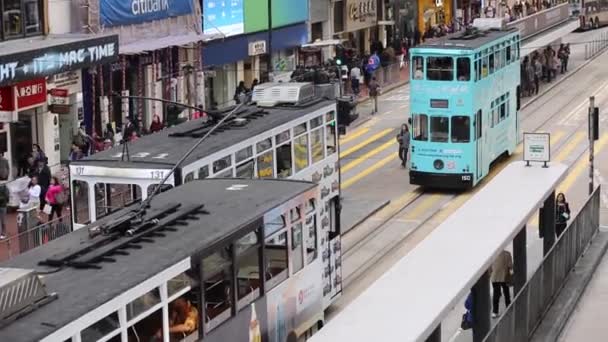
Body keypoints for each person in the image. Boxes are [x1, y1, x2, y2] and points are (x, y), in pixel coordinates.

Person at [490, 250, 513, 318]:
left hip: (495, 277)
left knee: (496, 294)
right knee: (506, 291)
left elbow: (489, 268)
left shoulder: (492, 255)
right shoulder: (507, 254)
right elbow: (510, 266)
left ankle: (495, 312)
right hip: (504, 276)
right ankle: (508, 306)